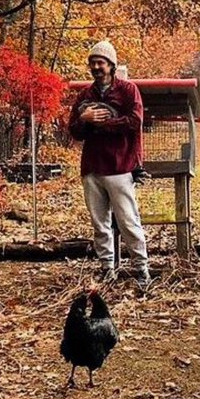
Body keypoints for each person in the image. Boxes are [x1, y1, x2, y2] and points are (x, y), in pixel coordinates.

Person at [68, 40, 152, 293]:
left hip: (120, 165)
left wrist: (103, 123)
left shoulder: (128, 90)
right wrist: (85, 119)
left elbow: (135, 121)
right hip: (92, 167)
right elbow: (74, 131)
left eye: (101, 62)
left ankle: (141, 269)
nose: (96, 67)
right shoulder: (85, 96)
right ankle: (107, 269)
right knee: (100, 223)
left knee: (128, 221)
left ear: (111, 65)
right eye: (92, 63)